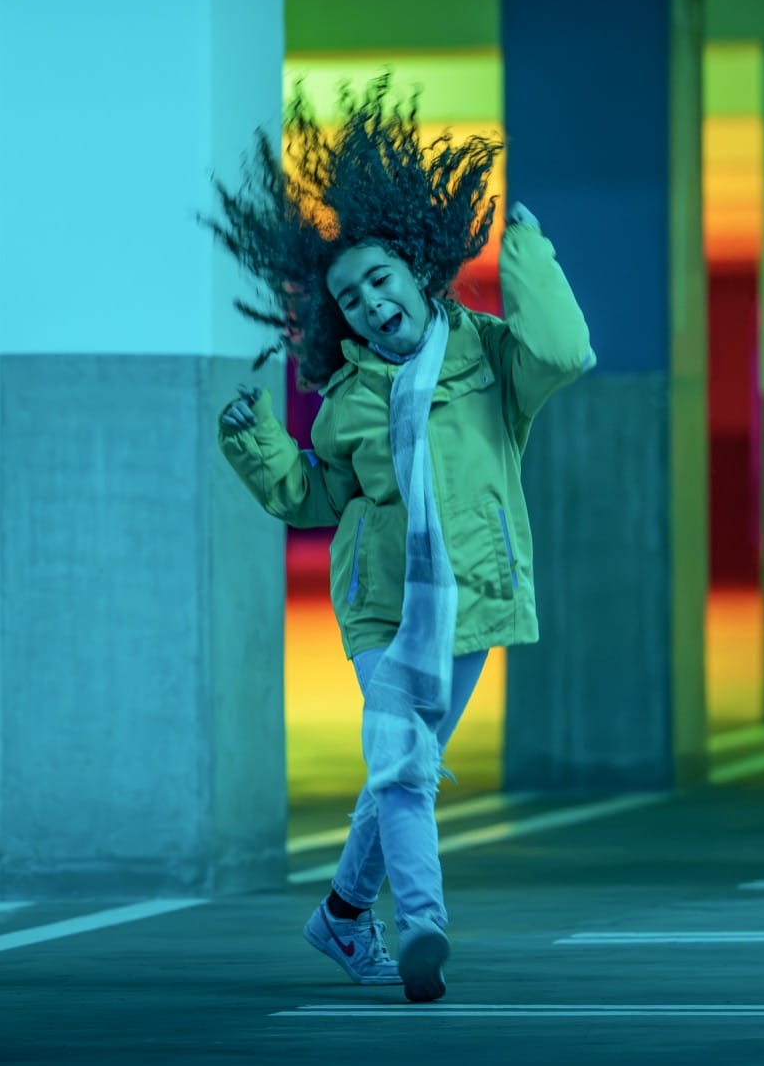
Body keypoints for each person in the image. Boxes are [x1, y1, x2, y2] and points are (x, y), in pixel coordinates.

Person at [211, 78, 593, 1003]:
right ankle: (422, 927)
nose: (370, 303)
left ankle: (343, 916)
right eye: (349, 297)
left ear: (418, 270)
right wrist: (255, 444)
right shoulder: (346, 403)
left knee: (402, 765)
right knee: (404, 764)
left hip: (470, 598)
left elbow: (567, 354)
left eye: (379, 279)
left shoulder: (490, 356)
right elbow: (313, 496)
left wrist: (528, 256)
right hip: (380, 606)